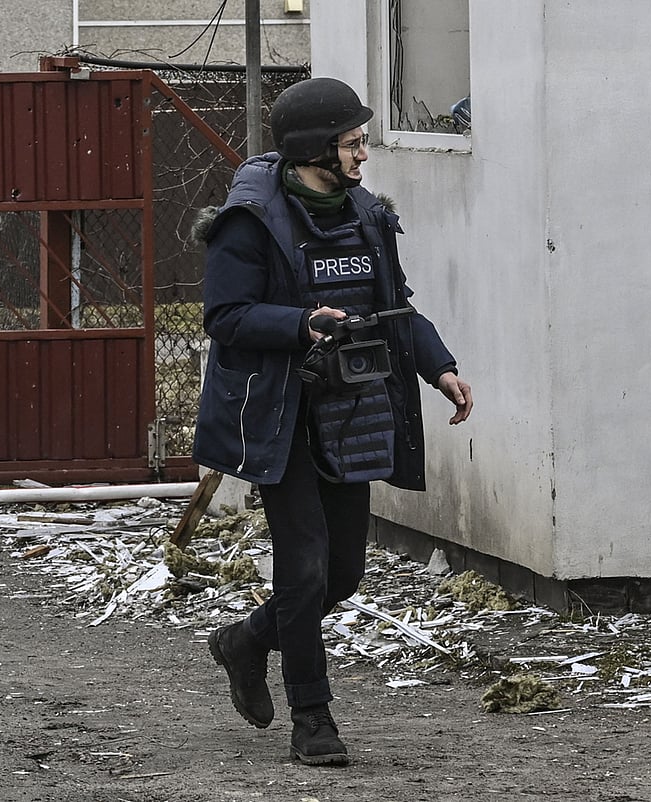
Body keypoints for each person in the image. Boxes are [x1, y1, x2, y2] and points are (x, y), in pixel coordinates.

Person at [192, 77, 473, 766]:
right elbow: (224, 318)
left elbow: (396, 306)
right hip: (282, 418)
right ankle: (312, 720)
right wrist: (300, 324)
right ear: (315, 147)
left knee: (343, 574)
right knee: (304, 571)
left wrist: (439, 367)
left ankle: (246, 641)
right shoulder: (250, 221)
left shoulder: (366, 215)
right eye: (352, 143)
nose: (364, 155)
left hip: (352, 414)